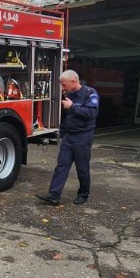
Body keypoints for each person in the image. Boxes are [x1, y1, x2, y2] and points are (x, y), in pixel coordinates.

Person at [37, 70, 99, 206]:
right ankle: (54, 195)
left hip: (83, 137)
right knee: (61, 166)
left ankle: (83, 194)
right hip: (69, 137)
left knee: (82, 168)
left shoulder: (89, 93)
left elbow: (92, 113)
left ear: (73, 81)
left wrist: (72, 107)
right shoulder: (68, 94)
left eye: (64, 85)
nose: (63, 88)